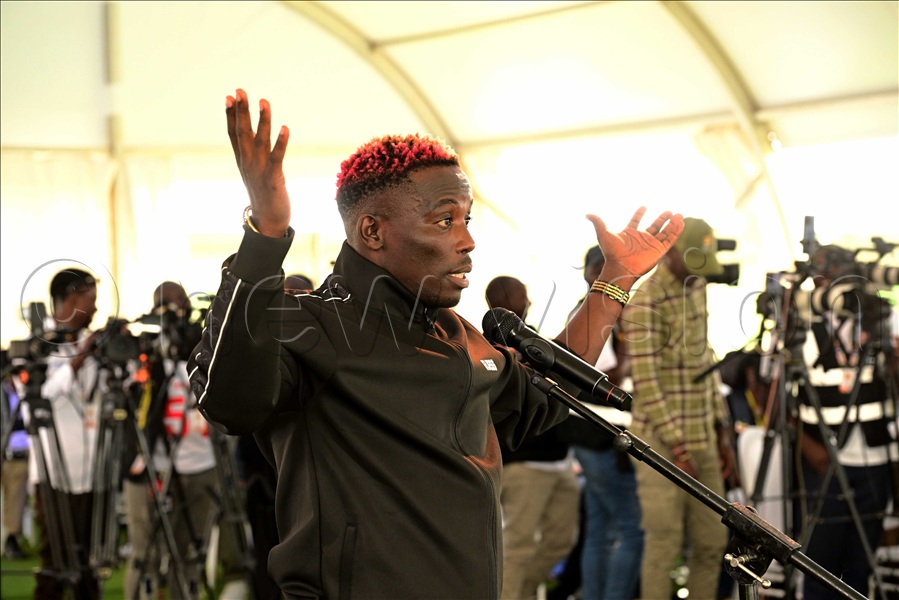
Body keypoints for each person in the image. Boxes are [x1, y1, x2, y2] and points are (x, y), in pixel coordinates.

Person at [188, 88, 684, 598]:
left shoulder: (457, 333)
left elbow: (544, 393)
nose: (466, 239)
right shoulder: (307, 326)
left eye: (467, 219)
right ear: (373, 232)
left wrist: (615, 281)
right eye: (445, 220)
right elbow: (230, 402)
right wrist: (266, 236)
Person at [619, 217, 737, 600]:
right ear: (671, 253)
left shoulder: (698, 286)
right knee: (664, 544)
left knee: (711, 542)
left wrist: (722, 431)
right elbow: (647, 386)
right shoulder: (644, 303)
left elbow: (706, 360)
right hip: (659, 443)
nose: (700, 271)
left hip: (702, 435)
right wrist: (679, 447)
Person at [122, 281, 248, 600]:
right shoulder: (145, 352)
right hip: (154, 466)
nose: (174, 312)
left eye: (179, 304)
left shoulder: (204, 349)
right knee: (145, 554)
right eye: (164, 306)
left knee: (190, 552)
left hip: (202, 464)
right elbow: (132, 400)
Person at [793, 244, 896, 600]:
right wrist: (809, 447)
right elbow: (780, 389)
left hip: (874, 454)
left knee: (860, 556)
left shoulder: (878, 318)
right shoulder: (804, 318)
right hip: (824, 455)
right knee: (820, 558)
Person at [556, 245, 644, 600]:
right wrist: (632, 347)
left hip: (591, 431)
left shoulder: (594, 311)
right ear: (593, 272)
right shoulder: (596, 313)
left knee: (600, 528)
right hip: (599, 434)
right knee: (632, 529)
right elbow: (608, 376)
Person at [486, 276, 581, 600]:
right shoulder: (489, 349)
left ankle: (522, 592)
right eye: (520, 297)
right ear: (500, 304)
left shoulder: (536, 341)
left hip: (559, 462)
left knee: (560, 541)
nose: (527, 303)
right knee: (519, 547)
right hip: (523, 465)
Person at [26, 268, 102, 599]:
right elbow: (39, 397)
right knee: (56, 562)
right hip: (53, 472)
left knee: (88, 563)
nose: (96, 309)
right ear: (71, 299)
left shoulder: (89, 341)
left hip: (91, 471)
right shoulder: (37, 346)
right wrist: (79, 358)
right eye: (91, 301)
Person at [2, 356, 31, 560]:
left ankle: (13, 537)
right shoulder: (4, 392)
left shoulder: (28, 391)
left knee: (17, 499)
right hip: (7, 455)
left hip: (23, 456)